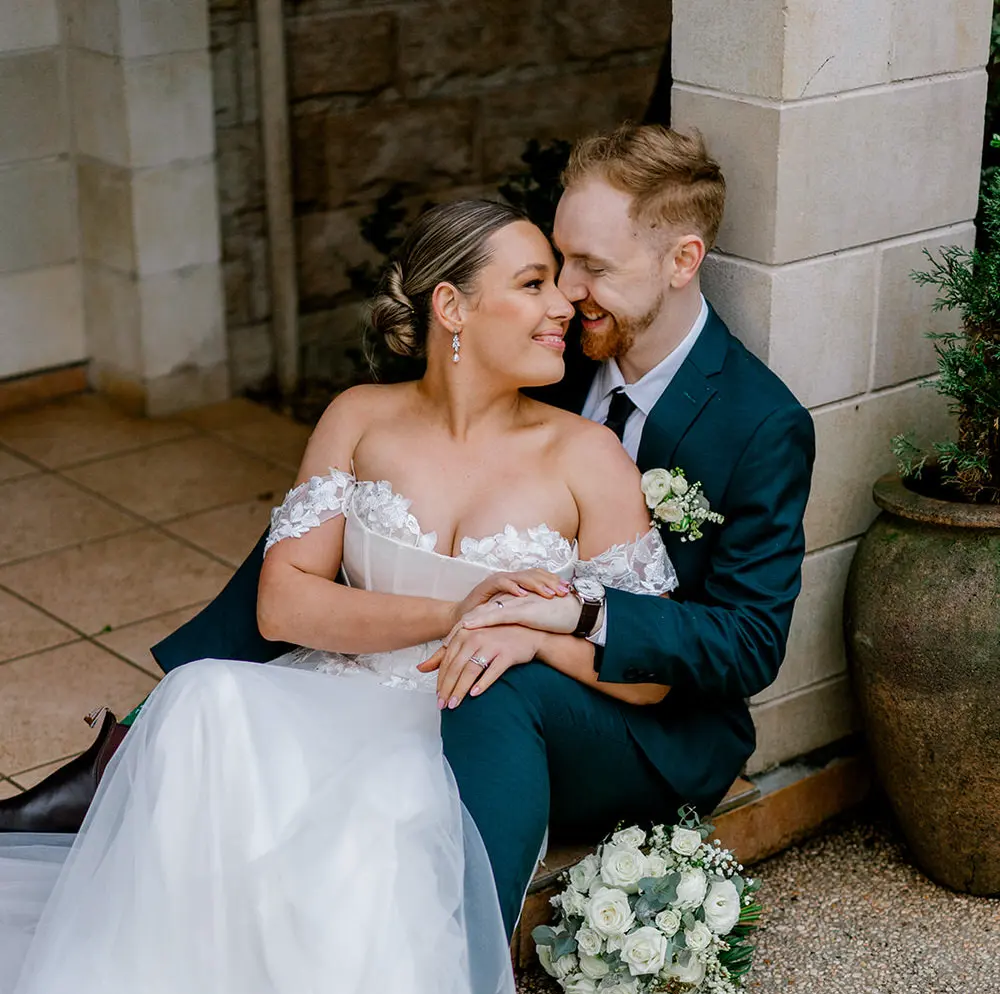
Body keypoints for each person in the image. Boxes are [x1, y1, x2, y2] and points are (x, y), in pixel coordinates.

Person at [0, 199, 677, 994]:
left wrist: (540, 629)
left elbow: (640, 668)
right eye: (528, 282)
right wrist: (468, 600)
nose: (561, 304)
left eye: (559, 284)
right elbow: (285, 610)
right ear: (451, 312)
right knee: (205, 702)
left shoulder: (588, 461)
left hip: (451, 725)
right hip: (336, 690)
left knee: (366, 837)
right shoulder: (361, 423)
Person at [0, 123, 816, 941]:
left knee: (487, 679)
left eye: (591, 269)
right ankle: (130, 749)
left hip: (648, 720)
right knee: (325, 543)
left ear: (682, 261)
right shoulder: (549, 348)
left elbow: (747, 643)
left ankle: (460, 967)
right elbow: (416, 457)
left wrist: (542, 625)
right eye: (556, 264)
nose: (566, 293)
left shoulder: (759, 423)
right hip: (469, 664)